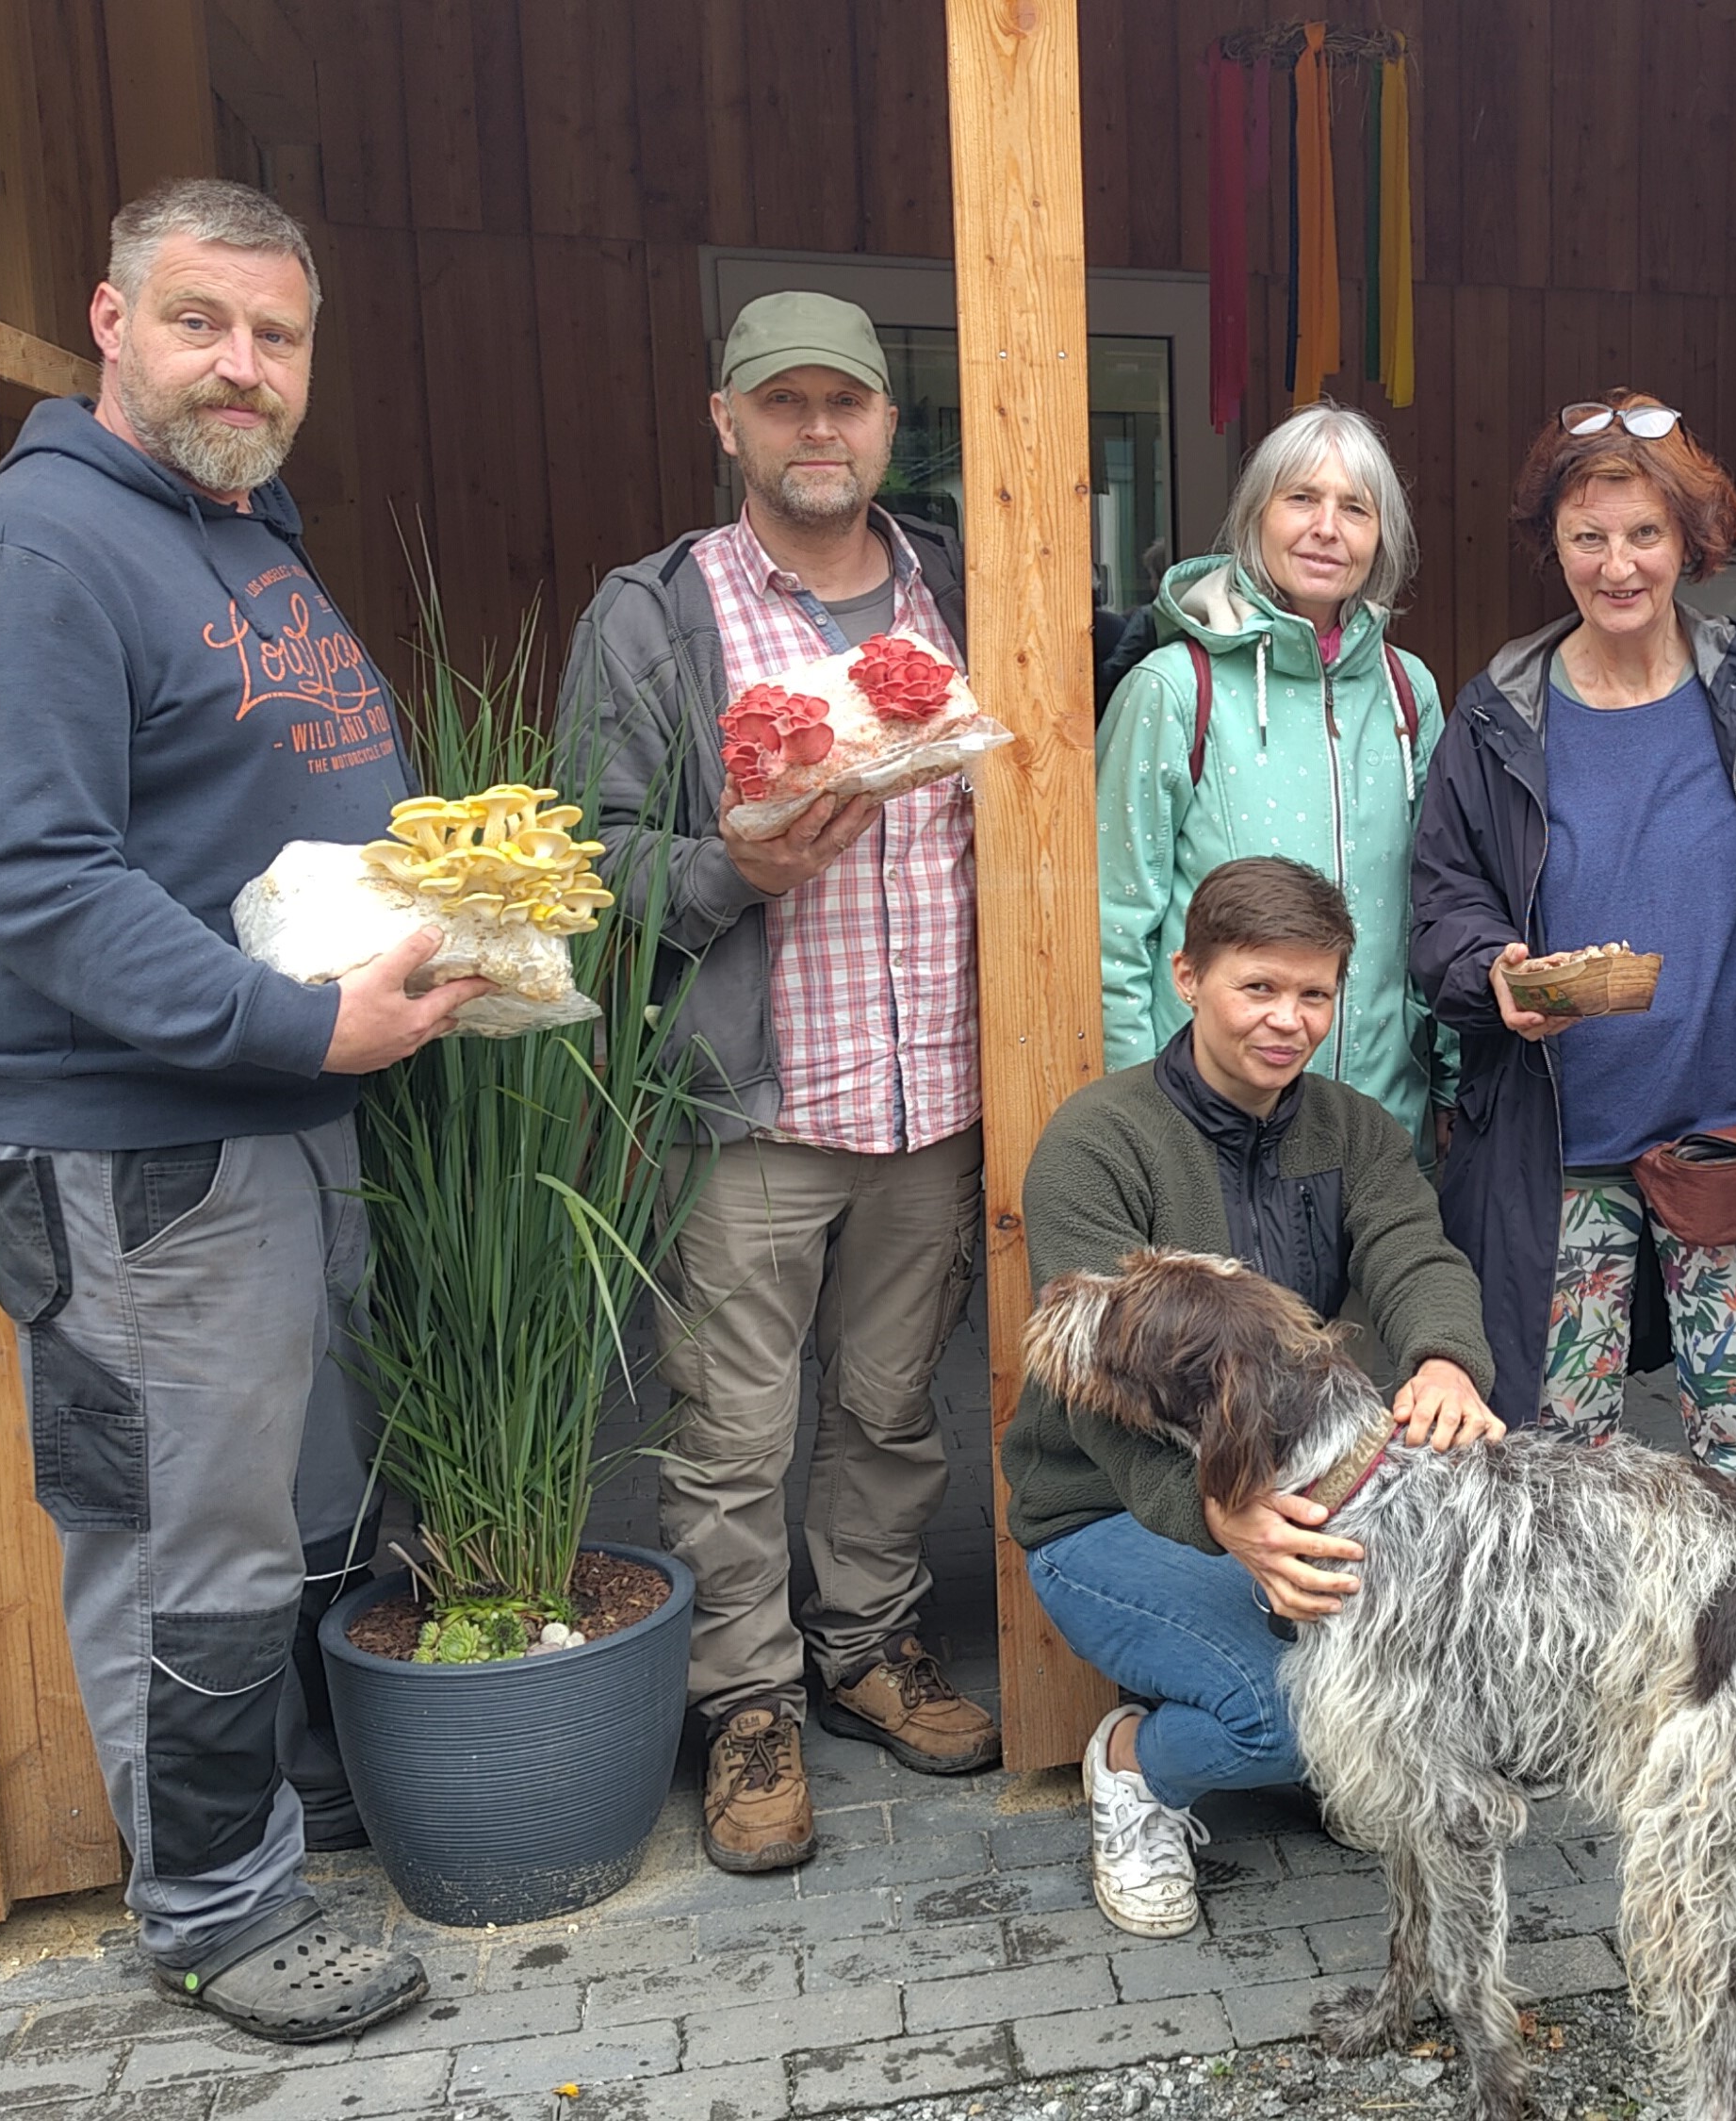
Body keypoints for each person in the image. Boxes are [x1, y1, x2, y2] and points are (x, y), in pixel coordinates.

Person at [0, 178, 465, 2041]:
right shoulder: (37, 558)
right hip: (139, 1143)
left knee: (283, 1511)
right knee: (181, 1539)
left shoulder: (228, 536)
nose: (243, 363)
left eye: (277, 334)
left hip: (270, 1108)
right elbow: (43, 888)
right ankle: (216, 1910)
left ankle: (276, 1827)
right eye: (203, 321)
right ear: (111, 322)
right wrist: (301, 1028)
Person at [560, 291, 997, 1880]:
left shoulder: (963, 581)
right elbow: (589, 861)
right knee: (730, 1430)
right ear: (727, 422)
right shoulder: (656, 613)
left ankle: (869, 1642)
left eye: (849, 403)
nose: (821, 430)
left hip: (934, 1092)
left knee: (894, 1410)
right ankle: (747, 1701)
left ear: (889, 423)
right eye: (785, 403)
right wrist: (725, 871)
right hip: (748, 1104)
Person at [1003, 859, 1501, 1938]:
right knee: (1292, 1717)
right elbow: (1090, 1392)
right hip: (1110, 1511)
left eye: (1313, 994)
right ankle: (1132, 1769)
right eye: (1257, 988)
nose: (1288, 1021)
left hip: (1302, 1497)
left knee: (1431, 1676)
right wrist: (1211, 1515)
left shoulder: (1356, 1130)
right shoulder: (1098, 1141)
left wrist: (1448, 1361)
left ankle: (1331, 1753)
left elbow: (1415, 1255)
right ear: (1187, 977)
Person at [1411, 393, 1736, 1504]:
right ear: (1550, 544)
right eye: (1586, 536)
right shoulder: (1497, 711)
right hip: (1561, 1148)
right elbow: (1442, 899)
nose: (1616, 565)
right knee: (1550, 1467)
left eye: (1644, 533)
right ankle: (1578, 1682)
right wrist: (1489, 969)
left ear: (1690, 541)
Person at [1098, 403, 1450, 1142]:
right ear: (1255, 516)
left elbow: (1435, 903)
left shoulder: (1407, 690)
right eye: (1301, 498)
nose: (1327, 526)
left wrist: (1444, 1076)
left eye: (1355, 507)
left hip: (1383, 1119)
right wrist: (1138, 1116)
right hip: (1207, 1125)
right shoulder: (1173, 687)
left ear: (1379, 535)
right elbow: (1115, 924)